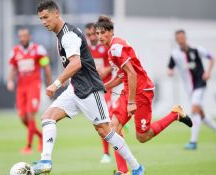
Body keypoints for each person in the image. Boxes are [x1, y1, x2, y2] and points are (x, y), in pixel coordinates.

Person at [34, 1, 145, 175]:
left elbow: (76, 63)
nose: (43, 22)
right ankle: (45, 161)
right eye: (41, 19)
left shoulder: (68, 35)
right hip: (75, 88)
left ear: (57, 14)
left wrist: (56, 83)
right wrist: (66, 79)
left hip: (90, 90)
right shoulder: (61, 35)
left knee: (104, 130)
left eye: (46, 17)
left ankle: (136, 167)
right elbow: (73, 64)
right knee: (48, 117)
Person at [95, 16, 192, 175]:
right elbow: (122, 75)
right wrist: (105, 86)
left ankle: (175, 114)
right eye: (97, 33)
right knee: (114, 127)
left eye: (102, 32)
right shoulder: (112, 48)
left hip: (141, 92)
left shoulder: (116, 48)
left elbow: (132, 74)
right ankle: (123, 171)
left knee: (143, 136)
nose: (99, 36)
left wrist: (131, 102)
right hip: (129, 90)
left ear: (111, 32)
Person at [167, 29, 216, 150]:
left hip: (200, 84)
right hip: (190, 89)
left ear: (185, 37)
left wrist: (208, 72)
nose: (181, 39)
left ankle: (193, 142)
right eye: (178, 38)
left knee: (194, 111)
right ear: (176, 40)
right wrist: (170, 72)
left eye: (182, 37)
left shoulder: (197, 50)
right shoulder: (175, 54)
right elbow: (170, 68)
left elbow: (212, 58)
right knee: (201, 115)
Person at [7, 28, 52, 154]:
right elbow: (13, 68)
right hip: (21, 87)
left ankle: (28, 146)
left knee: (30, 114)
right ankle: (41, 136)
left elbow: (46, 67)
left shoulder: (38, 50)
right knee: (22, 117)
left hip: (34, 85)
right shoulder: (15, 51)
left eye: (25, 35)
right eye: (20, 36)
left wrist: (49, 84)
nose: (23, 38)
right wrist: (10, 81)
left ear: (29, 36)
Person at [85, 22, 113, 164]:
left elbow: (112, 65)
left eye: (93, 34)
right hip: (92, 89)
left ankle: (106, 154)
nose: (91, 37)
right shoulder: (86, 50)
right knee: (100, 122)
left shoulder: (105, 48)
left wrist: (105, 71)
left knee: (105, 121)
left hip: (106, 87)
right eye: (88, 34)